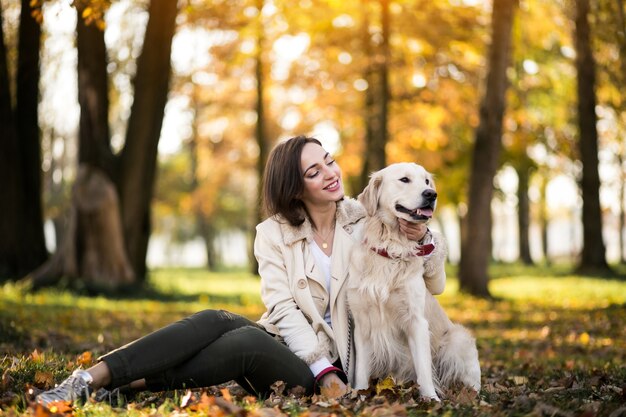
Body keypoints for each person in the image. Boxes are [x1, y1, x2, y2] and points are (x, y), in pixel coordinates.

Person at [35, 135, 447, 406]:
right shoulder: (272, 234)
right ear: (294, 186)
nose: (331, 173)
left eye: (329, 161)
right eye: (314, 171)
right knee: (218, 320)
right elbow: (283, 309)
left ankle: (117, 384)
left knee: (243, 343)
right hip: (298, 350)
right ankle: (91, 379)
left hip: (337, 360)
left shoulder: (363, 218)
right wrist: (317, 367)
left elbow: (432, 275)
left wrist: (425, 231)